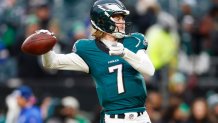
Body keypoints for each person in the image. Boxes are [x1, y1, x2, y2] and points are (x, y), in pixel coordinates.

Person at [41, 0, 155, 123]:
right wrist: (45, 48)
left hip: (141, 116)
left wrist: (125, 53)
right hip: (114, 119)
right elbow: (51, 62)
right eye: (117, 18)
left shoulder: (134, 41)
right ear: (102, 20)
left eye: (122, 18)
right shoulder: (88, 49)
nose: (122, 22)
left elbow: (149, 70)